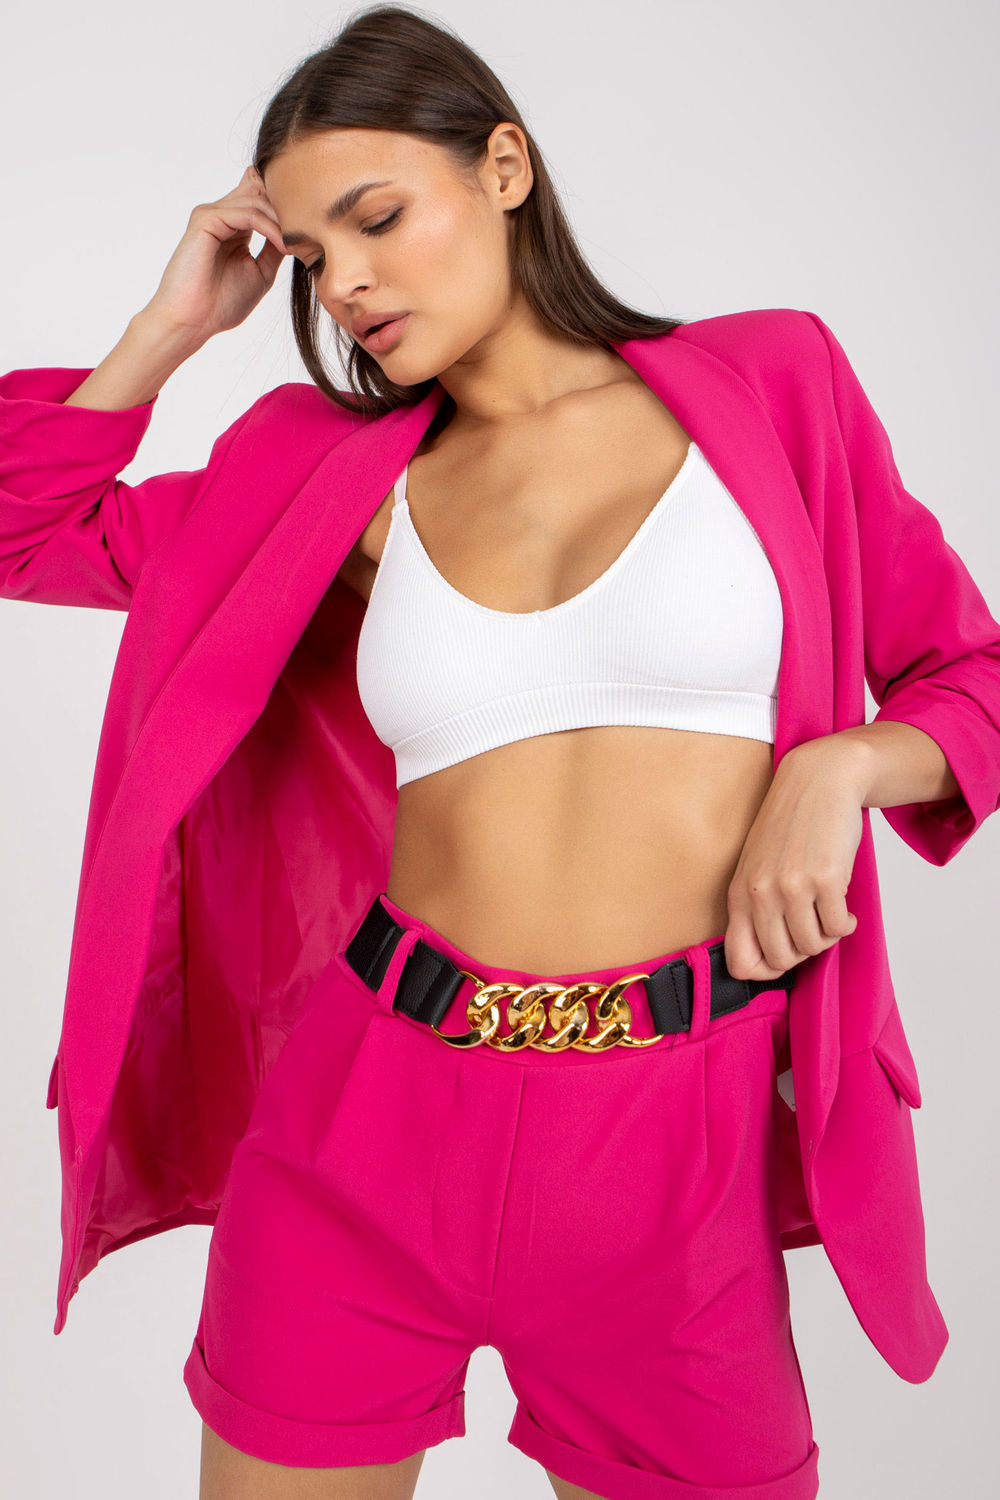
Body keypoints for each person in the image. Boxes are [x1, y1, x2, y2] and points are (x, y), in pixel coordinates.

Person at [4, 7, 999, 1500]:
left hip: (679, 1141)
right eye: (312, 256)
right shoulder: (334, 478)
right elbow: (26, 531)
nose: (345, 282)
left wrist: (840, 767)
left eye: (377, 219)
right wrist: (169, 329)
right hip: (367, 1119)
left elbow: (972, 677)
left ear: (506, 167)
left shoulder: (771, 386)